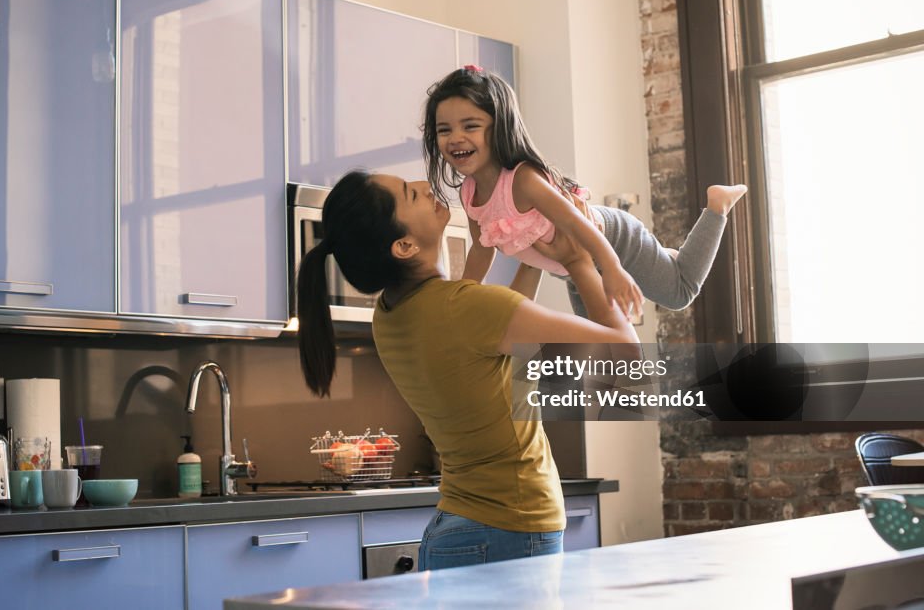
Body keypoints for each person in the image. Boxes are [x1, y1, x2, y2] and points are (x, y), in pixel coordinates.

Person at [296, 169, 638, 571]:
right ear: (404, 245)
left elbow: (496, 336)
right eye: (412, 194)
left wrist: (532, 253)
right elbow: (625, 351)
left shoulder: (389, 316)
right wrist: (580, 261)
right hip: (511, 526)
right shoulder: (466, 307)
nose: (426, 187)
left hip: (459, 528)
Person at [422, 65, 748, 321]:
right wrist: (463, 291)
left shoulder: (523, 181)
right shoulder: (469, 192)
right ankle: (665, 257)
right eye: (444, 130)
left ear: (499, 126)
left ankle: (717, 206)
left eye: (470, 126)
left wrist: (616, 269)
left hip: (614, 240)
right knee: (596, 337)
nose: (455, 138)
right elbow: (481, 249)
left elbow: (579, 225)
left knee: (679, 294)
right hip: (572, 267)